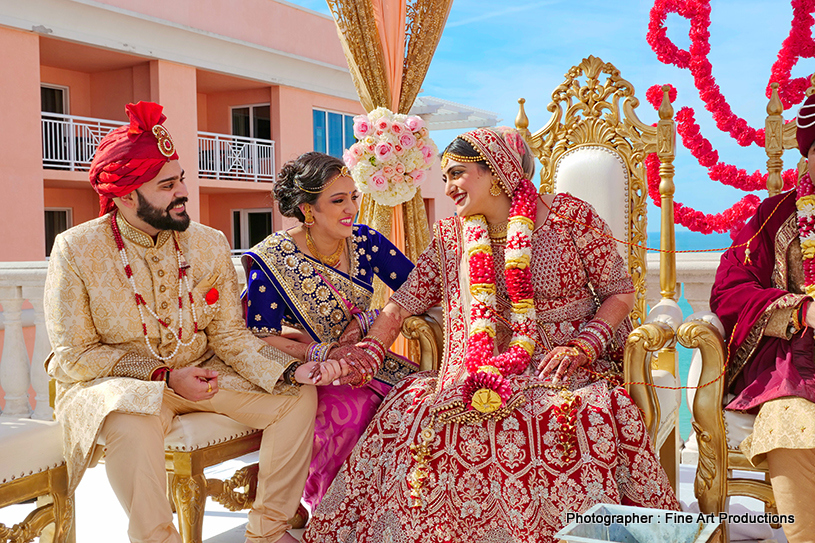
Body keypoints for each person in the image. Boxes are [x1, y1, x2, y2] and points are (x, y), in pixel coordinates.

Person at [301, 127, 678, 543]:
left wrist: (584, 345)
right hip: (480, 363)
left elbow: (619, 291)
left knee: (564, 415)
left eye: (458, 174)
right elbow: (402, 303)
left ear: (497, 172)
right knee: (413, 413)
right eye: (444, 178)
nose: (448, 188)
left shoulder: (570, 216)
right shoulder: (451, 237)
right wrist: (371, 350)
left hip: (566, 360)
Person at [43, 101, 342, 543]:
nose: (183, 191)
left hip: (205, 372)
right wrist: (162, 375)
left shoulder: (208, 243)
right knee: (132, 419)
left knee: (296, 396)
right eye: (167, 185)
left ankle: (268, 531)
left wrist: (289, 368)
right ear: (126, 195)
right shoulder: (76, 248)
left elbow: (228, 334)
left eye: (181, 178)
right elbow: (74, 355)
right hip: (124, 386)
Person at [241, 151, 417, 521]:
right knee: (351, 412)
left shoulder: (365, 241)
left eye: (354, 197)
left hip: (368, 361)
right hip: (305, 372)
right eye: (338, 201)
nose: (351, 208)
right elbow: (259, 336)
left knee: (419, 398)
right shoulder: (274, 258)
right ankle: (338, 518)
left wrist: (372, 320)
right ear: (308, 210)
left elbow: (418, 287)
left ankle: (401, 515)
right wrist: (323, 352)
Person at [710, 93, 815, 543]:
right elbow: (730, 291)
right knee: (791, 422)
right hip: (797, 360)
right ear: (809, 158)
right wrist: (800, 310)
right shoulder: (774, 217)